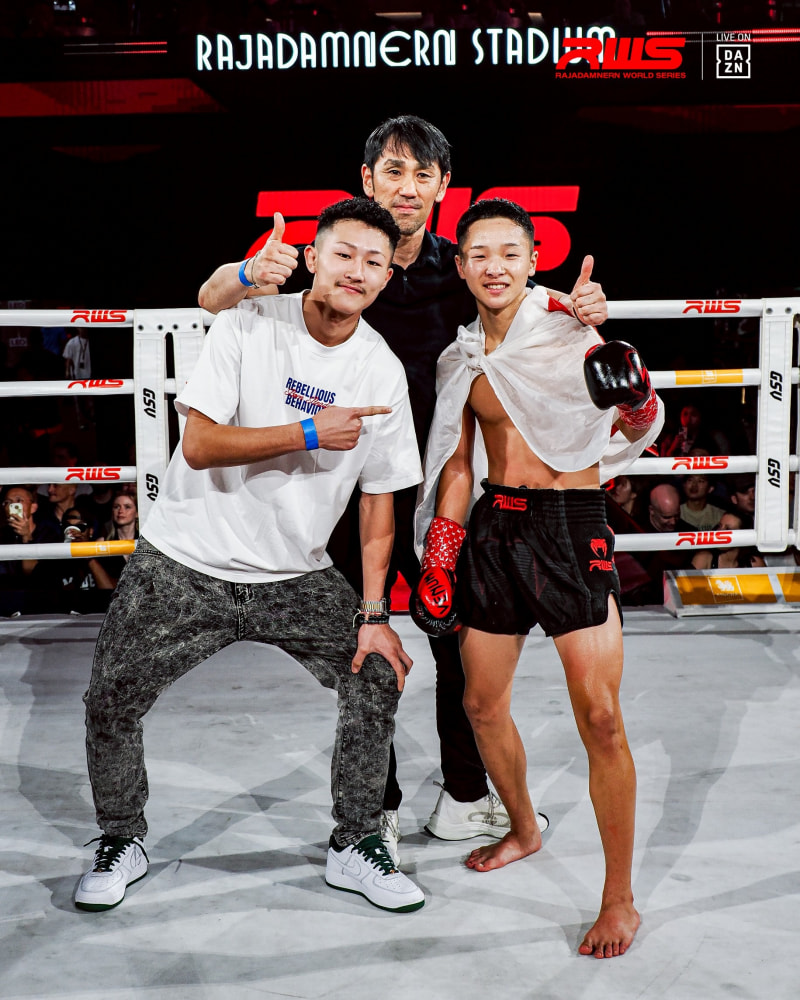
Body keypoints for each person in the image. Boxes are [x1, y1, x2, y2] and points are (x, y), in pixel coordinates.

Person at [197, 115, 610, 860]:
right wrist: (245, 273)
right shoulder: (341, 256)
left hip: (440, 494)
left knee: (457, 646)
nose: (408, 188)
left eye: (423, 174)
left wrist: (581, 309)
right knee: (365, 651)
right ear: (367, 180)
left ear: (445, 185)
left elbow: (529, 301)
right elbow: (211, 297)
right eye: (393, 171)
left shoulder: (462, 266)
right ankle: (376, 808)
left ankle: (464, 797)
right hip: (341, 493)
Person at [74, 198, 425, 915]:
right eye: (344, 254)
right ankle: (121, 838)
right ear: (313, 258)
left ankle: (356, 841)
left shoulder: (381, 370)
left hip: (295, 574)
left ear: (388, 277)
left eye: (374, 262)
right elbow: (200, 444)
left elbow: (378, 501)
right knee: (110, 697)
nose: (357, 271)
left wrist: (374, 614)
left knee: (376, 671)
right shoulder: (250, 320)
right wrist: (308, 431)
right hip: (184, 561)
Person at [412, 199, 663, 958]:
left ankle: (618, 899)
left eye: (509, 253)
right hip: (495, 528)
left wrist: (634, 388)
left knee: (602, 718)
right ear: (461, 267)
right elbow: (458, 463)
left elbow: (636, 419)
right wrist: (441, 553)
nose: (495, 267)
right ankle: (524, 828)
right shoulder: (461, 358)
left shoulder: (569, 330)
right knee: (480, 704)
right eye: (479, 254)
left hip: (570, 527)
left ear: (532, 261)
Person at [691, 511, 764, 569]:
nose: (719, 532)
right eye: (719, 526)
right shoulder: (703, 559)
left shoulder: (755, 564)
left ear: (743, 535)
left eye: (728, 529)